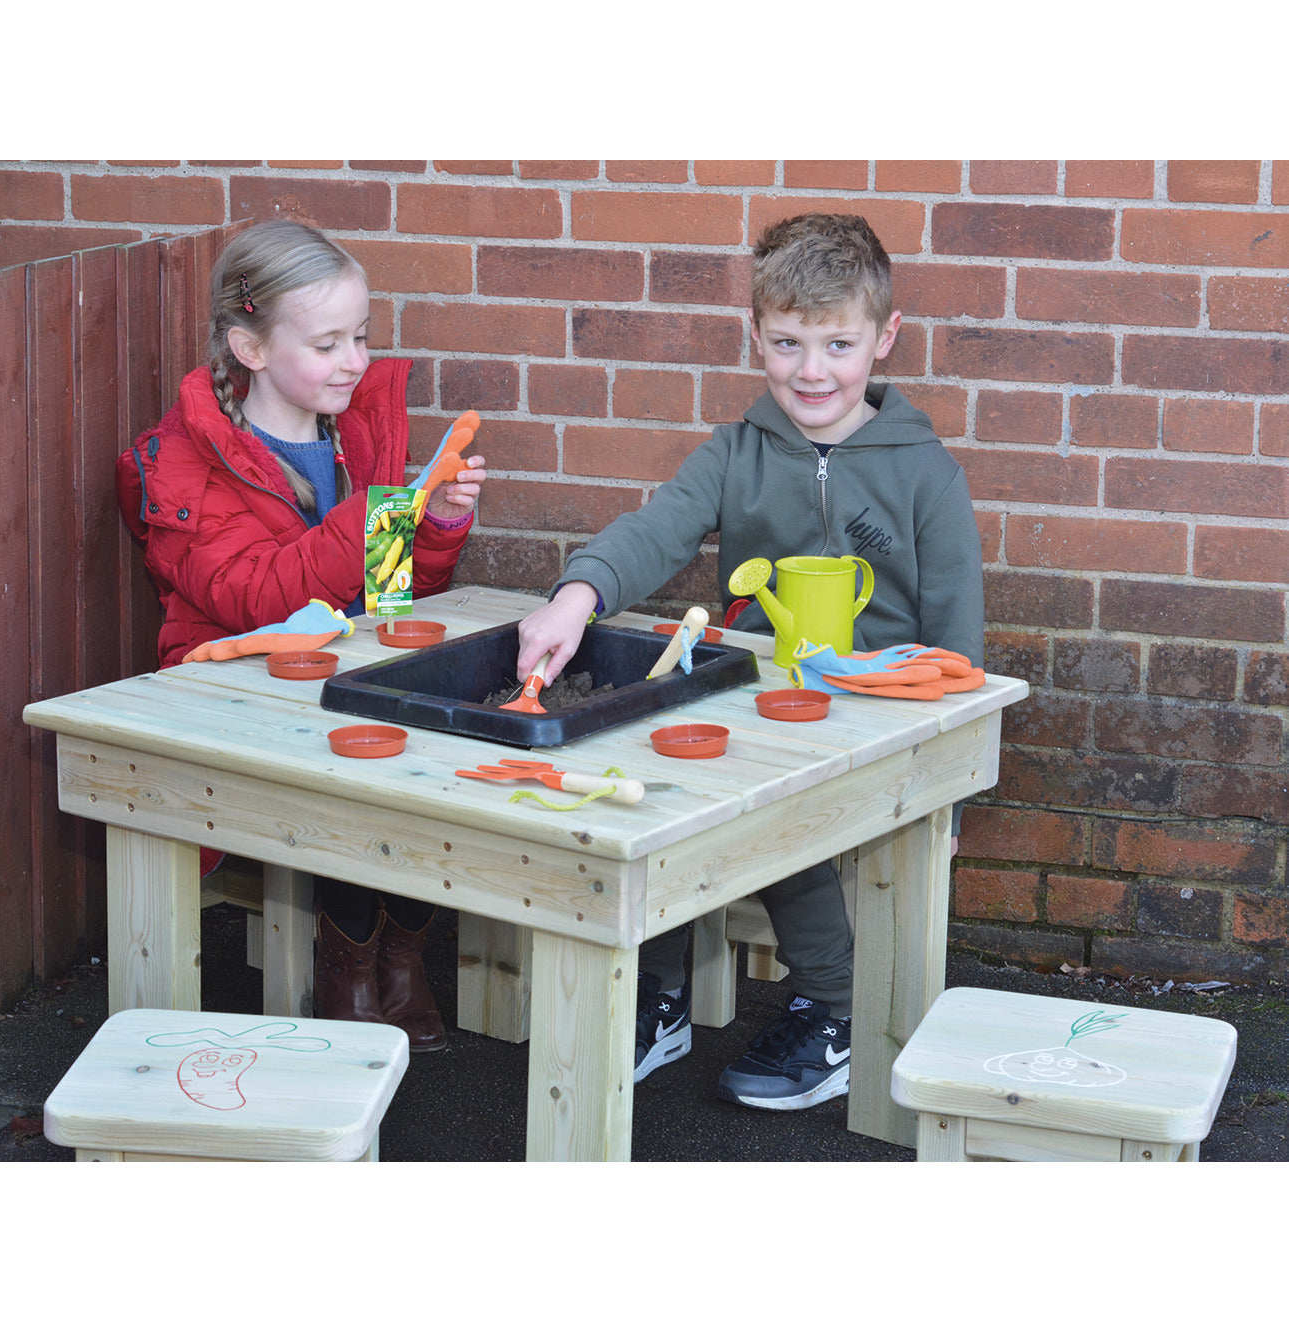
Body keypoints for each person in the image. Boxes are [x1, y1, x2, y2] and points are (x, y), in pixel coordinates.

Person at [515, 212, 983, 1110]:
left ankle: (837, 1008)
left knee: (781, 825)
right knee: (651, 784)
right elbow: (656, 527)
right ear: (756, 338)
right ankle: (659, 996)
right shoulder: (737, 452)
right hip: (748, 695)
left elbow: (960, 632)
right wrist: (577, 594)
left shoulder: (926, 472)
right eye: (788, 343)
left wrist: (952, 778)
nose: (813, 370)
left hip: (877, 707)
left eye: (839, 344)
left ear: (884, 340)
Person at [115, 220, 487, 1052]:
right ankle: (346, 967)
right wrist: (371, 516)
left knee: (429, 720)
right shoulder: (186, 462)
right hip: (230, 681)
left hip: (337, 669)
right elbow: (254, 598)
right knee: (353, 748)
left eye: (360, 336)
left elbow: (393, 595)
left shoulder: (350, 434)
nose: (354, 360)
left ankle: (400, 955)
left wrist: (434, 529)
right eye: (328, 343)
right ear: (249, 347)